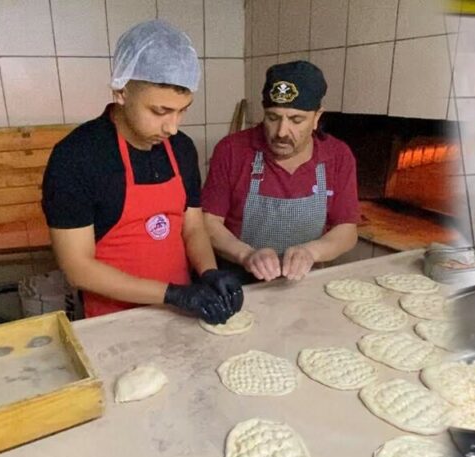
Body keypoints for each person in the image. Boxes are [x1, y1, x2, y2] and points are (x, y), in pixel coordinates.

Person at [42, 20, 242, 323]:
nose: (172, 127)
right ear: (121, 91)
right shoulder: (76, 157)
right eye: (160, 111)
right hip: (112, 321)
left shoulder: (181, 149)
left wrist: (209, 272)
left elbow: (193, 227)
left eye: (183, 109)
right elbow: (78, 268)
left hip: (181, 314)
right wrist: (171, 294)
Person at [202, 60, 359, 283]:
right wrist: (246, 254)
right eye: (273, 118)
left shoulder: (337, 156)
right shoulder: (232, 150)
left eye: (296, 120)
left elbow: (346, 230)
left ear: (317, 117)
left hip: (305, 282)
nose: (281, 132)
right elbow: (208, 223)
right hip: (239, 282)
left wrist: (312, 252)